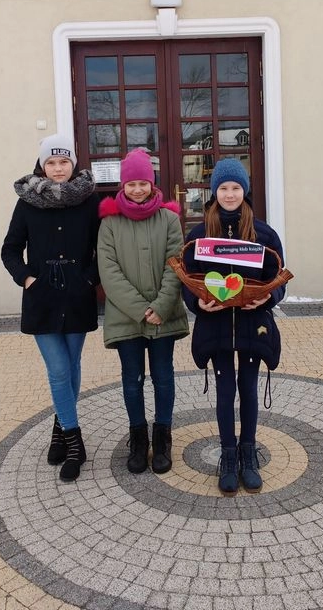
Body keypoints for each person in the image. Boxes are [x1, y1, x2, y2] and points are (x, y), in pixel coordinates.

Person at [182, 158, 285, 495]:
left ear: (245, 191)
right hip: (217, 327)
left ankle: (248, 453)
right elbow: (188, 279)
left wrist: (267, 298)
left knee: (248, 389)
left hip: (252, 325)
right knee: (225, 391)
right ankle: (228, 456)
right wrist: (196, 302)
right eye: (223, 188)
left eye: (235, 187)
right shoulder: (199, 235)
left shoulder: (264, 234)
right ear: (214, 192)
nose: (229, 194)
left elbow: (277, 278)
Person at [1, 133, 99, 482]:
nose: (58, 168)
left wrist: (88, 279)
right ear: (42, 165)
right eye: (51, 162)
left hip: (77, 297)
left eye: (64, 161)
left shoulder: (89, 201)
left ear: (73, 163)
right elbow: (10, 249)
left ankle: (59, 430)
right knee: (58, 370)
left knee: (71, 366)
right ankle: (74, 442)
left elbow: (104, 247)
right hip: (41, 298)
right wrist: (28, 279)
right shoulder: (28, 202)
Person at [97, 149, 189, 475]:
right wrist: (141, 309)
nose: (137, 189)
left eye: (143, 183)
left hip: (163, 316)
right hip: (127, 318)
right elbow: (109, 271)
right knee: (132, 379)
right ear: (123, 185)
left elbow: (175, 264)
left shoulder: (169, 220)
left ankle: (162, 437)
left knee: (163, 377)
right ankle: (138, 438)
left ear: (152, 183)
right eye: (131, 183)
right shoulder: (110, 223)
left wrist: (161, 306)